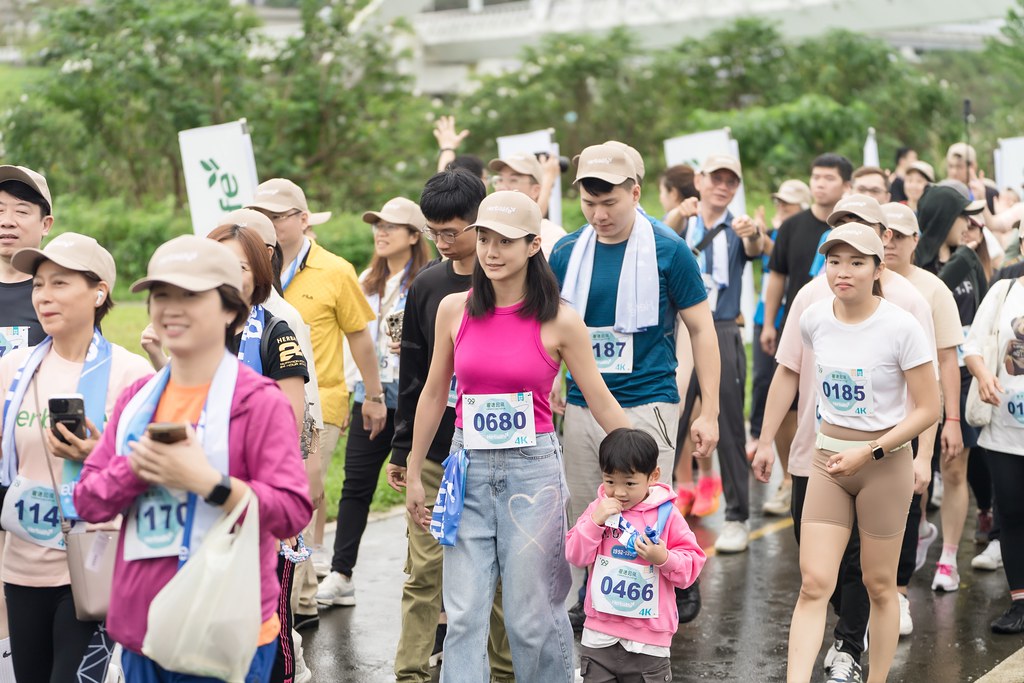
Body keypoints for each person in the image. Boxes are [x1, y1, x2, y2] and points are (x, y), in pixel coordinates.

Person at [405, 190, 632, 683]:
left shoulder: (561, 319)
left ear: (532, 245)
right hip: (466, 469)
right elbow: (432, 393)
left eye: (504, 241)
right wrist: (418, 469)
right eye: (483, 238)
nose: (490, 251)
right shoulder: (453, 309)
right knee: (463, 616)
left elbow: (599, 398)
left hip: (534, 475)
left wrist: (644, 467)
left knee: (531, 619)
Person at [73, 235, 313, 681]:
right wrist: (135, 470)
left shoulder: (257, 402)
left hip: (224, 630)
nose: (171, 308)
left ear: (229, 310)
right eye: (161, 295)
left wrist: (210, 483)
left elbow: (292, 513)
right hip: (143, 629)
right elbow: (87, 501)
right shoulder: (136, 399)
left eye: (190, 295)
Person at [754, 223, 940, 683]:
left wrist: (872, 452)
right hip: (827, 462)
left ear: (878, 268)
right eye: (834, 261)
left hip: (883, 465)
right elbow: (792, 377)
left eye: (857, 262)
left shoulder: (901, 326)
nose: (843, 272)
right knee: (815, 582)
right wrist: (763, 439)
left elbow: (929, 407)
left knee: (879, 586)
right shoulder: (815, 318)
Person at [548, 143, 720, 627]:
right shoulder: (566, 252)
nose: (599, 215)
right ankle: (590, 602)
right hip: (582, 404)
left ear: (635, 192)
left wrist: (709, 411)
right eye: (589, 203)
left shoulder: (669, 249)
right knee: (591, 507)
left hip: (650, 402)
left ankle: (666, 593)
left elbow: (703, 330)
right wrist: (554, 380)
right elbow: (549, 326)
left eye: (610, 203)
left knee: (647, 510)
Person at [0, 232, 151, 681]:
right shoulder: (12, 369)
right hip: (21, 565)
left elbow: (152, 475)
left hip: (94, 565)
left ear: (99, 291)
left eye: (60, 283)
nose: (44, 296)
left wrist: (98, 453)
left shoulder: (130, 373)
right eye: (38, 284)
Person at [387, 169, 515, 683]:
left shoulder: (516, 277)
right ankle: (411, 672)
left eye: (453, 231)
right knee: (424, 571)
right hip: (441, 453)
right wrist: (405, 455)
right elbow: (415, 377)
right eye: (433, 231)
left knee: (504, 576)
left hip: (505, 450)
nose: (442, 243)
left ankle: (505, 672)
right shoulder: (428, 284)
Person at [247, 177, 384, 630]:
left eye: (276, 216)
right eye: (260, 215)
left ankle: (288, 602)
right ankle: (301, 596)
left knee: (301, 492)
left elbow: (359, 335)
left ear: (303, 220)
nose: (267, 223)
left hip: (318, 401)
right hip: (255, 402)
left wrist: (374, 394)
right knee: (295, 497)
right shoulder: (244, 268)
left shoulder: (335, 270)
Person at [317, 197, 431, 607]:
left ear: (415, 236)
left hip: (416, 398)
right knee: (355, 486)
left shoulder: (428, 281)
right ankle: (341, 572)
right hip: (370, 396)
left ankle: (427, 582)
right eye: (377, 225)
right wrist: (353, 393)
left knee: (421, 487)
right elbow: (353, 346)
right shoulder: (366, 279)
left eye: (392, 227)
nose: (380, 232)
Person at [674, 154, 764, 554]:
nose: (723, 186)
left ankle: (737, 516)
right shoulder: (683, 221)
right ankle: (651, 510)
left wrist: (754, 232)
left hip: (722, 329)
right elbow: (660, 231)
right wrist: (679, 212)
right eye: (716, 178)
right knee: (668, 421)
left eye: (731, 180)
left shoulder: (737, 227)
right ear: (700, 179)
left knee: (727, 425)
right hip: (678, 332)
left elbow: (757, 246)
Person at [565, 428, 706, 682]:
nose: (619, 492)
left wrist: (663, 558)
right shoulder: (599, 510)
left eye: (629, 483)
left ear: (653, 476)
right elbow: (575, 555)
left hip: (649, 644)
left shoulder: (667, 516)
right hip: (598, 637)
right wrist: (594, 523)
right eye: (610, 481)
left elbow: (691, 567)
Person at [915, 185, 990, 594]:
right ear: (945, 218)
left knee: (955, 465)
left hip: (961, 372)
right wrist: (960, 263)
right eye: (964, 217)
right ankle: (919, 532)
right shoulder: (917, 262)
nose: (970, 225)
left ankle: (948, 557)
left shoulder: (970, 260)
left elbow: (981, 315)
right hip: (923, 374)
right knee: (920, 472)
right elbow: (925, 304)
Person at [964, 267, 1024, 634]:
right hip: (1004, 431)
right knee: (1013, 516)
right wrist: (984, 374)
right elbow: (971, 346)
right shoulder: (1004, 291)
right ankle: (1019, 602)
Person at [749, 179, 810, 517]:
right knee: (771, 389)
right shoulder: (778, 231)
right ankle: (788, 477)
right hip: (780, 324)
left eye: (789, 204)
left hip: (815, 327)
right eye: (779, 203)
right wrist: (770, 322)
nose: (782, 208)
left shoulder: (804, 231)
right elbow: (771, 265)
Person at [761, 153, 852, 357]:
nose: (820, 184)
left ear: (846, 186)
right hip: (795, 323)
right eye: (816, 177)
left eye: (829, 178)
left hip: (840, 327)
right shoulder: (791, 226)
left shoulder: (853, 229)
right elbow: (777, 276)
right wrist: (768, 324)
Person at [0, 165, 53, 357]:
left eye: (21, 211)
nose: (7, 221)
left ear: (45, 224)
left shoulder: (64, 294)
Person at [487, 152, 566, 257]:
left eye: (513, 180)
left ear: (535, 190)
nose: (502, 187)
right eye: (500, 179)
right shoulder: (485, 227)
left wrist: (548, 180)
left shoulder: (552, 235)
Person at [657, 164, 700, 235]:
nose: (660, 198)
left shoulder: (669, 221)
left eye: (661, 192)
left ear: (674, 193)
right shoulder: (701, 218)